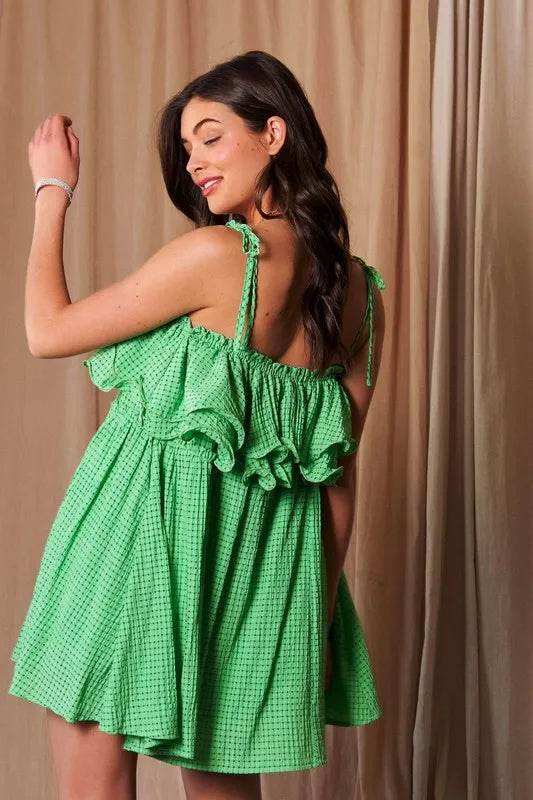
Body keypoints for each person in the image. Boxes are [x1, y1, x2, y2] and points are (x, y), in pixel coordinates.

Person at [9, 50, 386, 800]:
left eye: (211, 137)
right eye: (187, 149)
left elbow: (46, 331)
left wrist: (52, 191)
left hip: (131, 550)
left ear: (273, 133)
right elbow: (338, 478)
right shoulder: (361, 295)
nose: (194, 164)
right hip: (252, 576)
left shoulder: (217, 256)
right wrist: (304, 610)